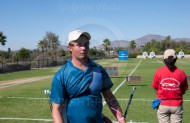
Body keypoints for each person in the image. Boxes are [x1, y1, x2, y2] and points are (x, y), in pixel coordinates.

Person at [50, 30, 126, 123]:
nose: (84, 48)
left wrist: (121, 119)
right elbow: (56, 109)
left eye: (86, 44)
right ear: (69, 47)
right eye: (79, 44)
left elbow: (110, 98)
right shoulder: (61, 75)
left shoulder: (99, 69)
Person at [152, 49, 188, 123]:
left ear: (164, 59)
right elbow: (184, 89)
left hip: (162, 104)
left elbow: (155, 88)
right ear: (175, 59)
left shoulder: (158, 72)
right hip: (177, 105)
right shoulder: (181, 73)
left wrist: (162, 94)